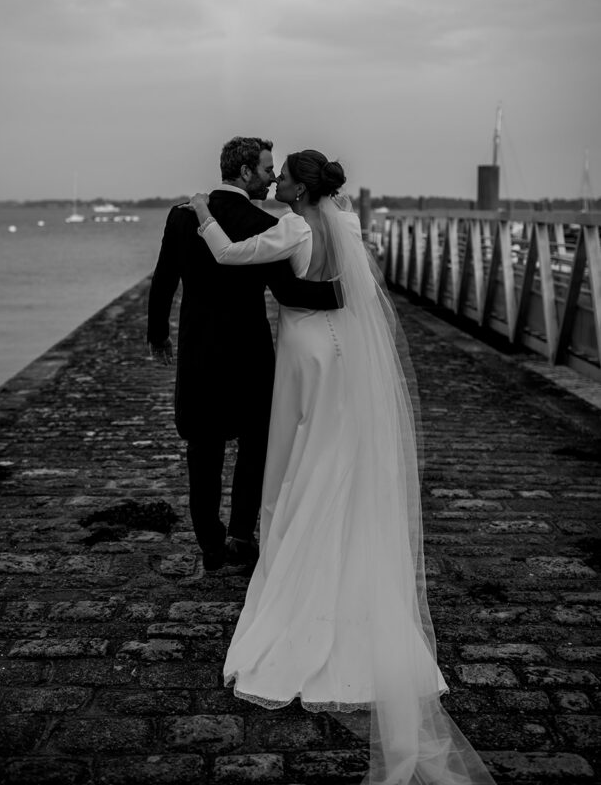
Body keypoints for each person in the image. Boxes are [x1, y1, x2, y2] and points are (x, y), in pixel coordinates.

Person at [188, 149, 496, 785]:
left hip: (302, 344)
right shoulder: (347, 226)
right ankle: (343, 549)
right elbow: (348, 292)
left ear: (298, 186)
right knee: (334, 449)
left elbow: (229, 255)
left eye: (283, 177)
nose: (276, 182)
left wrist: (201, 213)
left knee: (295, 449)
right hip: (342, 352)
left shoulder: (294, 228)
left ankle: (293, 555)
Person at [146, 137, 341, 573]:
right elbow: (288, 292)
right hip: (250, 355)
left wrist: (158, 334)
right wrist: (347, 294)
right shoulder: (260, 221)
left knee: (204, 451)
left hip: (199, 353)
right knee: (255, 447)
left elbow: (164, 281)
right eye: (268, 169)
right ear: (247, 172)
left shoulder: (181, 217)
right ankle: (239, 535)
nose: (273, 177)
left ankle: (211, 546)